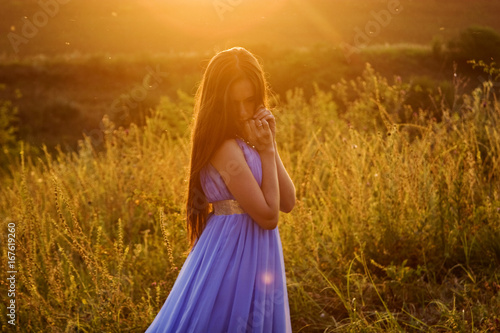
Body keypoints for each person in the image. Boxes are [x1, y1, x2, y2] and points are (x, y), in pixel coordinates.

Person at [145, 46, 296, 333]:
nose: (242, 111)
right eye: (232, 103)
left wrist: (270, 144)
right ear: (218, 101)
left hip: (255, 251)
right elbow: (268, 217)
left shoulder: (247, 140)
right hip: (232, 253)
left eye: (250, 100)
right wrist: (264, 151)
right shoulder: (225, 148)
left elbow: (287, 201)